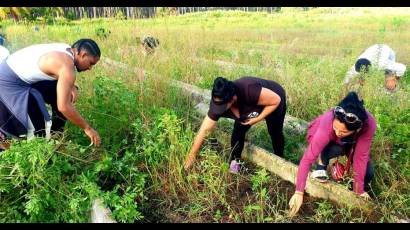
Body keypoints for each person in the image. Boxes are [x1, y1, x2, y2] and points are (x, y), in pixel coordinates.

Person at [0, 39, 101, 150]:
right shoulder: (67, 66)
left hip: (12, 71)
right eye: (91, 63)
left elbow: (52, 69)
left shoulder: (65, 49)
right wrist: (87, 128)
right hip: (8, 81)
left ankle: (56, 136)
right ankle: (5, 141)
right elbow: (63, 107)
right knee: (37, 133)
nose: (90, 68)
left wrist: (72, 86)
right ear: (83, 54)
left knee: (64, 94)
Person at [288, 92, 377, 217]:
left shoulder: (368, 125)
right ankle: (321, 167)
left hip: (351, 141)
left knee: (368, 173)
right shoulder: (328, 123)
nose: (338, 132)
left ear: (356, 129)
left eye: (343, 131)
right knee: (334, 149)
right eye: (336, 128)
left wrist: (359, 190)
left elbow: (360, 157)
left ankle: (350, 188)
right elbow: (307, 159)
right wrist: (299, 192)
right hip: (328, 139)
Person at [184, 76, 286, 173]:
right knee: (239, 129)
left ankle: (279, 159)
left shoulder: (248, 89)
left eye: (223, 106)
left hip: (274, 98)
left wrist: (257, 119)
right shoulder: (219, 99)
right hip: (248, 105)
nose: (220, 110)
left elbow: (276, 100)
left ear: (233, 99)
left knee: (274, 131)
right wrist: (191, 156)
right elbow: (205, 129)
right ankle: (235, 165)